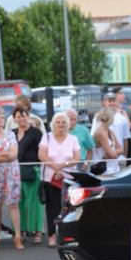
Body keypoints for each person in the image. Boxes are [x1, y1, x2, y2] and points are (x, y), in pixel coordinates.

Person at [38, 112, 80, 247]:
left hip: (68, 178)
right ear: (53, 124)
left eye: (63, 122)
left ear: (68, 125)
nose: (60, 124)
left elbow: (76, 158)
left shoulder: (73, 139)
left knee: (69, 208)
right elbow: (42, 155)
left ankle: (67, 235)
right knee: (53, 208)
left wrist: (62, 168)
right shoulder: (47, 137)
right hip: (50, 178)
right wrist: (56, 168)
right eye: (58, 122)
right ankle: (52, 235)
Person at [12, 106, 44, 243]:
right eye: (18, 116)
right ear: (14, 119)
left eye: (23, 115)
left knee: (35, 203)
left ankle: (37, 231)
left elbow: (41, 151)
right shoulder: (11, 133)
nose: (21, 118)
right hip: (15, 171)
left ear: (28, 116)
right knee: (19, 203)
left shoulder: (36, 132)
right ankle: (21, 231)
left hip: (33, 170)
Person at [0, 107, 24, 249]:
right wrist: (4, 154)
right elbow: (8, 154)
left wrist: (0, 156)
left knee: (13, 204)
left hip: (11, 173)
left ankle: (17, 237)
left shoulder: (10, 135)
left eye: (1, 116)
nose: (0, 119)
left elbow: (13, 154)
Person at [92, 92, 131, 167]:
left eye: (114, 100)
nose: (112, 103)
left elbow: (126, 139)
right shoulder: (97, 118)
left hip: (120, 159)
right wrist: (112, 153)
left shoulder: (122, 118)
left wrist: (124, 156)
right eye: (109, 101)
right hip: (104, 162)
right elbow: (95, 137)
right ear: (104, 102)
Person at [91, 108, 123, 175]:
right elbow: (112, 155)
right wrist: (115, 153)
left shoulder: (110, 131)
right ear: (110, 119)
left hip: (114, 169)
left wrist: (113, 153)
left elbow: (121, 150)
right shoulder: (100, 132)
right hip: (104, 171)